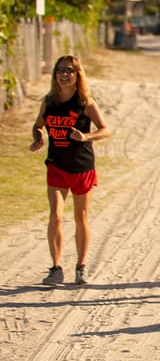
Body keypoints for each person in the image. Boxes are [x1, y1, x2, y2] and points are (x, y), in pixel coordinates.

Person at [30, 55, 111, 286]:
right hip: (56, 165)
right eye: (60, 70)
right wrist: (38, 138)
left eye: (70, 70)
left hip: (81, 167)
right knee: (55, 216)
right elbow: (38, 125)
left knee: (80, 217)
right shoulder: (49, 102)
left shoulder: (85, 103)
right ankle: (56, 268)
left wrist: (86, 136)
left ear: (78, 75)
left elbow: (105, 130)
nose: (64, 74)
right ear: (55, 74)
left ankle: (81, 267)